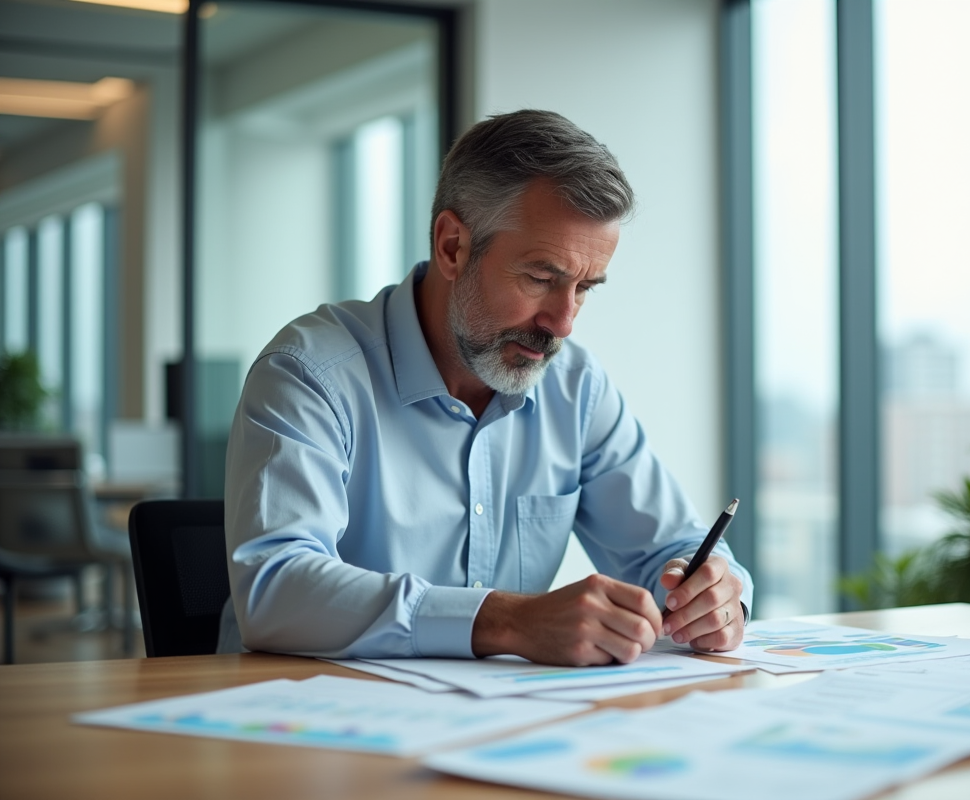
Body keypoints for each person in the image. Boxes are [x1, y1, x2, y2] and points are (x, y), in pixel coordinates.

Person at [219, 109, 753, 666]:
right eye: (541, 278)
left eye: (585, 288)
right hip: (305, 725)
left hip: (495, 729)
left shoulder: (576, 389)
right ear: (452, 246)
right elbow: (274, 588)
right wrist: (505, 621)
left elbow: (672, 548)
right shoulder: (310, 374)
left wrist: (715, 594)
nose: (563, 323)